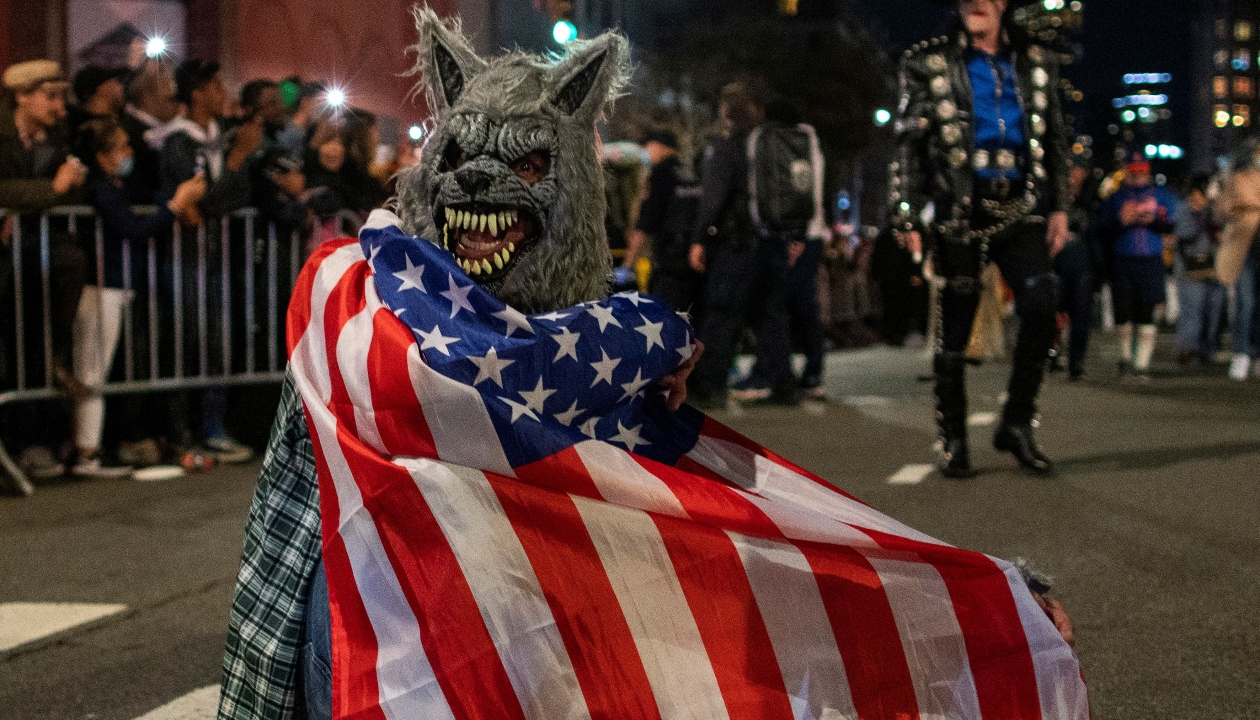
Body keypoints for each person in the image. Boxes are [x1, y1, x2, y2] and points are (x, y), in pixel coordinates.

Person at [889, 0, 1071, 477]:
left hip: (1023, 206)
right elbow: (907, 142)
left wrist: (1061, 207)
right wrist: (906, 214)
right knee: (956, 328)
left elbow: (1055, 137)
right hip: (959, 210)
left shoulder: (1037, 60)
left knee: (1042, 307)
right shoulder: (926, 62)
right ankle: (953, 436)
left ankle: (1016, 424)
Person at [71, 117, 206, 478]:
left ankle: (95, 448)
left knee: (103, 369)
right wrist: (176, 205)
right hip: (102, 288)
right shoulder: (100, 189)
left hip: (118, 287)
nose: (130, 153)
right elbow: (131, 228)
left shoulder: (119, 185)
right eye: (122, 147)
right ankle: (87, 453)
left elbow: (149, 199)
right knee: (92, 370)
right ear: (103, 156)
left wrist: (176, 201)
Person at [160, 59, 259, 463]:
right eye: (218, 85)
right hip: (184, 258)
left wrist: (221, 188)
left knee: (219, 343)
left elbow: (235, 198)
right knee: (187, 343)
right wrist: (235, 162)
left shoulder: (222, 136)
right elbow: (206, 201)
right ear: (198, 92)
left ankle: (214, 426)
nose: (226, 92)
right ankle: (182, 433)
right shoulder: (177, 142)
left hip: (219, 256)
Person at [687, 78, 797, 408]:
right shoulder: (774, 145)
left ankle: (709, 384)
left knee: (721, 315)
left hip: (737, 245)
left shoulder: (729, 146)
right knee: (771, 315)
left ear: (727, 111)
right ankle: (783, 384)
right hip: (773, 241)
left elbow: (714, 198)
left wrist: (699, 238)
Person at [0, 60, 88, 404]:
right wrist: (52, 190)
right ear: (22, 96)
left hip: (33, 248)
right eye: (50, 96)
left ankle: (54, 362)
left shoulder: (54, 137)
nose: (59, 107)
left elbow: (73, 190)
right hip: (9, 252)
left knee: (69, 262)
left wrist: (69, 183)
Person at [1099, 154, 1176, 377]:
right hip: (1123, 258)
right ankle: (1124, 359)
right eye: (1134, 172)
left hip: (1151, 258)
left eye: (1142, 172)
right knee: (1122, 310)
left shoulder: (1162, 196)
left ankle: (1142, 364)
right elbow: (1103, 231)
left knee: (1146, 310)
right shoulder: (1115, 198)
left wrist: (1151, 220)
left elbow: (1170, 226)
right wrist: (1122, 221)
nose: (1138, 177)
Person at [625, 130, 703, 314]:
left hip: (670, 260)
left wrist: (628, 263)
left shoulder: (661, 174)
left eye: (646, 148)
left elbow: (647, 221)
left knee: (662, 319)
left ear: (657, 146)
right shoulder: (691, 171)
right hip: (696, 257)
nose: (645, 153)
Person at [1053, 159, 1100, 380]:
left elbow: (1098, 232)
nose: (1076, 175)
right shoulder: (1055, 198)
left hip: (1083, 263)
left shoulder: (1091, 201)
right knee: (1054, 311)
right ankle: (1053, 353)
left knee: (1080, 316)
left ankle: (1076, 361)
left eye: (1080, 170)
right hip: (1057, 263)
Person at [1217, 141, 1260, 381]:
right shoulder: (1237, 178)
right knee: (1245, 304)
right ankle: (1241, 354)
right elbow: (1224, 208)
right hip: (1243, 250)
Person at [1173, 173, 1226, 368]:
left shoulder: (1215, 209)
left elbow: (1223, 232)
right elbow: (1183, 233)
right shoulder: (1182, 209)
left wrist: (1211, 212)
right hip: (1190, 267)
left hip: (1214, 265)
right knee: (1192, 309)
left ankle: (1207, 349)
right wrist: (1199, 214)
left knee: (1213, 310)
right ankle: (1187, 349)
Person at [120, 59, 182, 205]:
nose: (176, 105)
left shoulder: (169, 130)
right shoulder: (128, 132)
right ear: (148, 99)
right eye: (171, 99)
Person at [67, 65, 128, 139]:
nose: (120, 86)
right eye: (116, 81)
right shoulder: (95, 134)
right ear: (101, 88)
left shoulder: (78, 128)